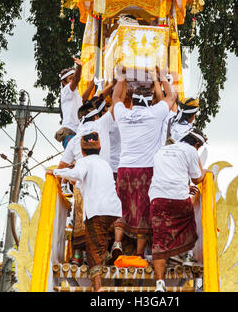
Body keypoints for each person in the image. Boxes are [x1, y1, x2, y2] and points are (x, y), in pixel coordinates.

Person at [110, 66, 177, 261]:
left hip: (124, 169)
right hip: (146, 170)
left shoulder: (123, 113)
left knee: (121, 207)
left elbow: (116, 99)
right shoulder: (154, 113)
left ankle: (117, 242)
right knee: (143, 211)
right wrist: (162, 77)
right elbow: (171, 97)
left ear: (133, 103)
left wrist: (121, 77)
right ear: (149, 103)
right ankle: (139, 254)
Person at [51, 125, 122, 292]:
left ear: (82, 151)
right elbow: (84, 181)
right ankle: (112, 255)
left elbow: (75, 175)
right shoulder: (104, 164)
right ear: (99, 149)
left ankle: (98, 287)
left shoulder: (84, 162)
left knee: (93, 249)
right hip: (114, 210)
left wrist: (58, 172)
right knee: (103, 241)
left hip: (97, 210)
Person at [148, 127, 209, 292]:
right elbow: (197, 179)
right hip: (178, 199)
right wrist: (205, 171)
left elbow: (167, 175)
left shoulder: (163, 150)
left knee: (159, 239)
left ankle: (160, 284)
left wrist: (184, 185)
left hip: (157, 198)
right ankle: (185, 256)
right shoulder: (191, 151)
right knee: (189, 223)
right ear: (196, 144)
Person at [55, 59, 94, 150]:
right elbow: (76, 79)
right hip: (69, 133)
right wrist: (79, 67)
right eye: (70, 79)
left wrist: (92, 83)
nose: (73, 81)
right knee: (74, 160)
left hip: (77, 133)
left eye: (73, 78)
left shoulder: (74, 93)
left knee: (77, 161)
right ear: (64, 83)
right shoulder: (66, 90)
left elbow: (83, 99)